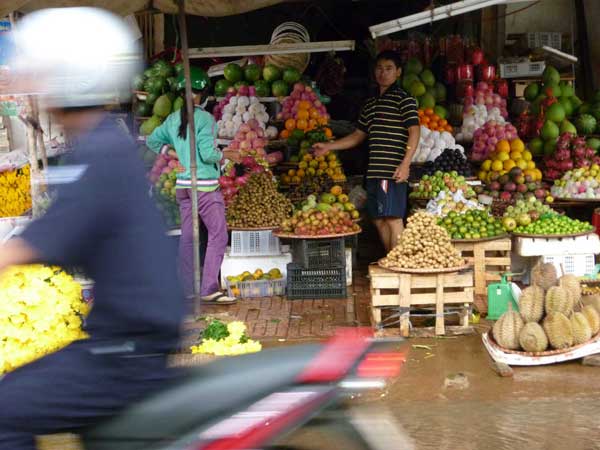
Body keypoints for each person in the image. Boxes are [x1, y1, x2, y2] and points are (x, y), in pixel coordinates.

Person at [0, 8, 184, 449]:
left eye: (43, 77)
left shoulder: (98, 156)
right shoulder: (105, 141)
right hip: (129, 345)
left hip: (123, 356)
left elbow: (28, 246)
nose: (35, 91)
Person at [314, 50, 420, 252]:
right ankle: (392, 261)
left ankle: (399, 267)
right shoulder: (370, 104)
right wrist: (329, 146)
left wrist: (405, 163)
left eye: (389, 68)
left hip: (392, 171)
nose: (383, 73)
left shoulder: (404, 99)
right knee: (379, 219)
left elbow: (414, 131)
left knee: (393, 218)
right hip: (374, 173)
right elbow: (357, 136)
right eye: (379, 68)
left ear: (398, 72)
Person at [146, 67, 237, 304]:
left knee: (188, 236)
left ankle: (186, 288)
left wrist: (176, 155)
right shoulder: (205, 119)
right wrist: (225, 156)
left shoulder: (173, 118)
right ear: (202, 94)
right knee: (218, 235)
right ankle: (208, 288)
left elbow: (152, 140)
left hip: (184, 187)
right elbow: (208, 154)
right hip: (205, 187)